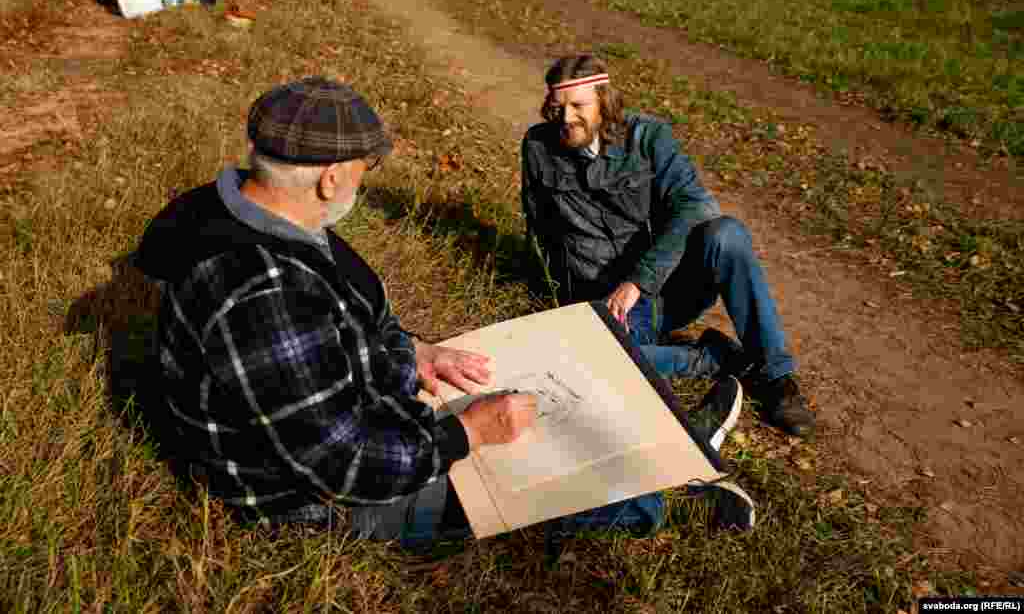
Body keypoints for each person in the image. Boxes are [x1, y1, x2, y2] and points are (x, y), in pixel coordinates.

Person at [135, 77, 753, 553]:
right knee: (612, 495)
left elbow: (339, 328)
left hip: (346, 417)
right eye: (361, 171)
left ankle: (665, 431)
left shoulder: (253, 211)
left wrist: (413, 353)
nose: (361, 183)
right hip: (313, 503)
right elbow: (343, 465)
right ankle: (680, 470)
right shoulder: (261, 294)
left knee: (520, 404)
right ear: (329, 179)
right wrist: (470, 434)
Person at [521, 55, 816, 438]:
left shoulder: (648, 137)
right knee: (591, 361)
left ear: (604, 102)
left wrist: (639, 281)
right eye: (558, 107)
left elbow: (696, 204)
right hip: (601, 299)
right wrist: (558, 301)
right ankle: (713, 359)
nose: (565, 118)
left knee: (726, 234)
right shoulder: (537, 147)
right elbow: (538, 226)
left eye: (579, 106)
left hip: (666, 286)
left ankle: (776, 378)